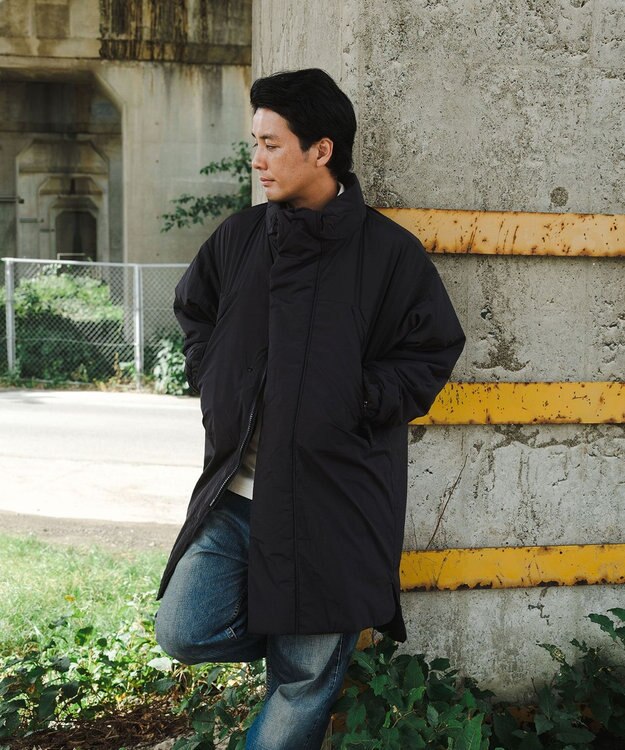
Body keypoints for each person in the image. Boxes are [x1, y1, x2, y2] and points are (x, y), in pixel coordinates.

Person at [155, 68, 465, 749]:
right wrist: (214, 375)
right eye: (255, 143)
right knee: (183, 630)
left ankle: (310, 651)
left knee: (302, 684)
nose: (257, 159)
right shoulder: (240, 238)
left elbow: (431, 351)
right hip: (238, 499)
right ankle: (299, 635)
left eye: (271, 144)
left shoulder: (389, 254)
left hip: (332, 507)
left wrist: (355, 399)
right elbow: (194, 310)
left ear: (321, 150)